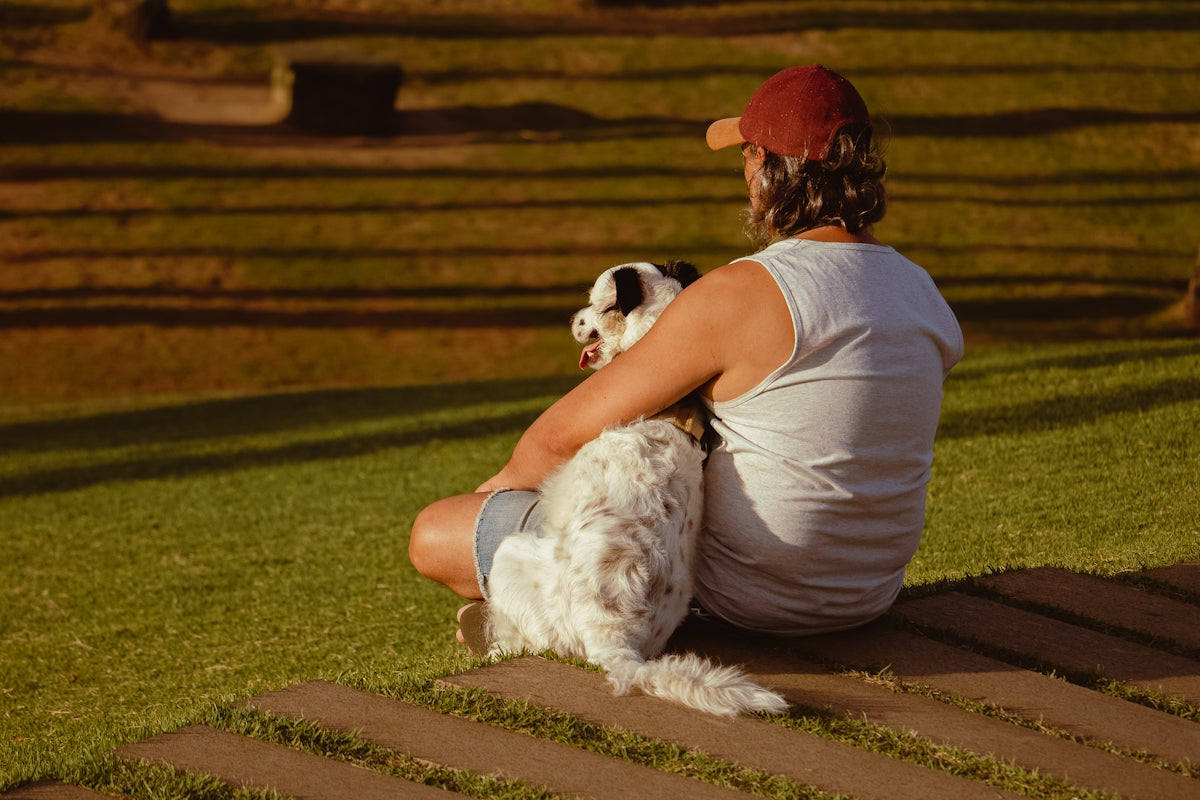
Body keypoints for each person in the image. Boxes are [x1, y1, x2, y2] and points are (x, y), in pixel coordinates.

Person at [408, 64, 964, 638]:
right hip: (862, 597)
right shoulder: (921, 292)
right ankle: (538, 609)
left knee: (437, 534)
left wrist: (493, 493)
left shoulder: (745, 292)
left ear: (767, 165)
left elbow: (559, 437)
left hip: (738, 600)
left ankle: (544, 614)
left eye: (747, 154)